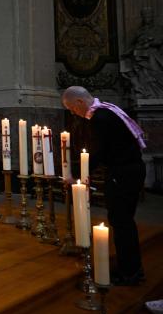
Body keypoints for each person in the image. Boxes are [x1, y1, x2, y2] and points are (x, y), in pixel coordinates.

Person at [61, 86, 146, 286]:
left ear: (80, 102)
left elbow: (98, 152)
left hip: (122, 174)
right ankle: (131, 267)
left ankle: (130, 273)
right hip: (133, 169)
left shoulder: (100, 118)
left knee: (121, 221)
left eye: (72, 108)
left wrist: (79, 177)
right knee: (124, 221)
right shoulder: (108, 110)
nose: (73, 113)